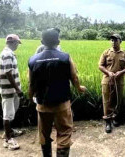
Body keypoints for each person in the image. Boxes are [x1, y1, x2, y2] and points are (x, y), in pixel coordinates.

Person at [28, 28, 87, 157]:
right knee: (65, 132)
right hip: (62, 105)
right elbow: (74, 77)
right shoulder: (65, 57)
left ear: (42, 41)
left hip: (42, 105)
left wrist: (29, 96)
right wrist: (79, 88)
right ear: (58, 41)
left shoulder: (33, 60)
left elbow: (31, 83)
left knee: (44, 133)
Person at [99, 34, 125, 133]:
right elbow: (100, 66)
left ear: (120, 41)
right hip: (107, 80)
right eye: (112, 40)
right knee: (107, 101)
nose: (113, 42)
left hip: (119, 81)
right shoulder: (106, 52)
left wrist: (121, 72)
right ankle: (108, 121)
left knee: (118, 100)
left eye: (115, 40)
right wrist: (108, 72)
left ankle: (116, 118)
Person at [0, 34, 23, 150]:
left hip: (10, 88)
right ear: (13, 42)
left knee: (11, 111)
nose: (18, 45)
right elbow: (8, 72)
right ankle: (8, 139)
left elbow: (5, 71)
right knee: (7, 114)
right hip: (9, 89)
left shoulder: (7, 53)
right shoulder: (7, 54)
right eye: (18, 43)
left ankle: (9, 131)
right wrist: (18, 89)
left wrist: (0, 76)